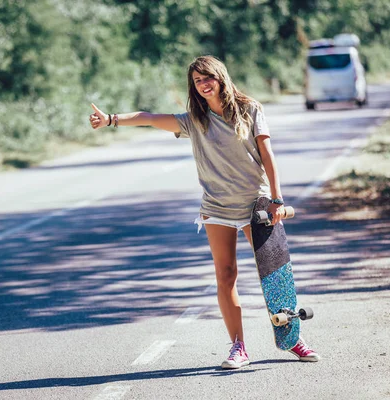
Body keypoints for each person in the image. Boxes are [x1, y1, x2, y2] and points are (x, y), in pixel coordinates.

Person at [88, 55, 320, 369]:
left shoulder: (250, 109)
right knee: (225, 276)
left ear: (220, 76)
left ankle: (292, 338)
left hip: (257, 205)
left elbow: (267, 153)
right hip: (217, 208)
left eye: (207, 77)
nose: (203, 84)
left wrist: (277, 198)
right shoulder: (195, 120)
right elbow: (150, 117)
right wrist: (111, 119)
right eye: (197, 81)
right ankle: (238, 347)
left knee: (274, 274)